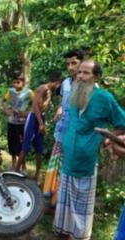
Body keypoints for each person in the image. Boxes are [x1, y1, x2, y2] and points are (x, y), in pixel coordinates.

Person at [53, 60, 125, 240]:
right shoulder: (75, 95)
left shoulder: (104, 98)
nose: (81, 77)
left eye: (86, 73)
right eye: (79, 73)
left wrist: (106, 137)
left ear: (97, 77)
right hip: (68, 159)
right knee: (64, 208)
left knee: (81, 211)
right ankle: (64, 234)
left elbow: (122, 122)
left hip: (86, 162)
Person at [43, 49, 84, 213]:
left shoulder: (88, 85)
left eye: (74, 63)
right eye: (68, 64)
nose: (70, 67)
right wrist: (59, 109)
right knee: (56, 166)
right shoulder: (66, 83)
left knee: (68, 169)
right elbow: (61, 102)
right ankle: (52, 202)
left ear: (82, 62)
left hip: (77, 135)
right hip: (62, 131)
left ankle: (64, 205)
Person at [14, 72, 62, 182]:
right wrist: (40, 123)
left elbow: (42, 108)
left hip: (41, 118)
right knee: (25, 146)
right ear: (57, 82)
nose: (59, 87)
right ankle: (15, 172)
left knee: (39, 148)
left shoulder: (49, 91)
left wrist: (43, 122)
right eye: (60, 84)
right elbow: (35, 105)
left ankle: (37, 174)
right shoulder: (43, 88)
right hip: (34, 119)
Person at [1, 71, 34, 170]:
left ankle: (23, 166)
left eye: (18, 82)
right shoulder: (10, 91)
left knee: (21, 144)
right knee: (12, 142)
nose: (16, 84)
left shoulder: (29, 92)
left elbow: (36, 104)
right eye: (14, 82)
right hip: (11, 122)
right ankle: (14, 163)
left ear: (23, 82)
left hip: (22, 123)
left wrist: (28, 113)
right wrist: (6, 109)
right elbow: (3, 101)